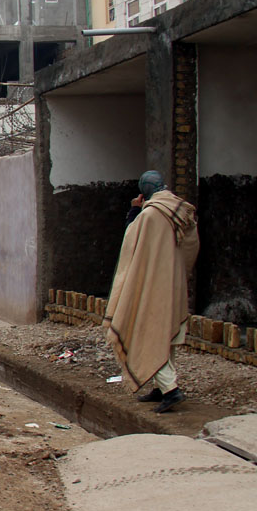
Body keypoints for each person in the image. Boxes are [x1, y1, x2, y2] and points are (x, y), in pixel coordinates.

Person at [104, 170, 200, 413]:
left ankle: (171, 390)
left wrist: (134, 210)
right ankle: (160, 387)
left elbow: (130, 240)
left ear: (143, 192)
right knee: (167, 335)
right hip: (174, 281)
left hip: (153, 284)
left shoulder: (150, 215)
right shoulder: (181, 210)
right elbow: (191, 246)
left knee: (149, 334)